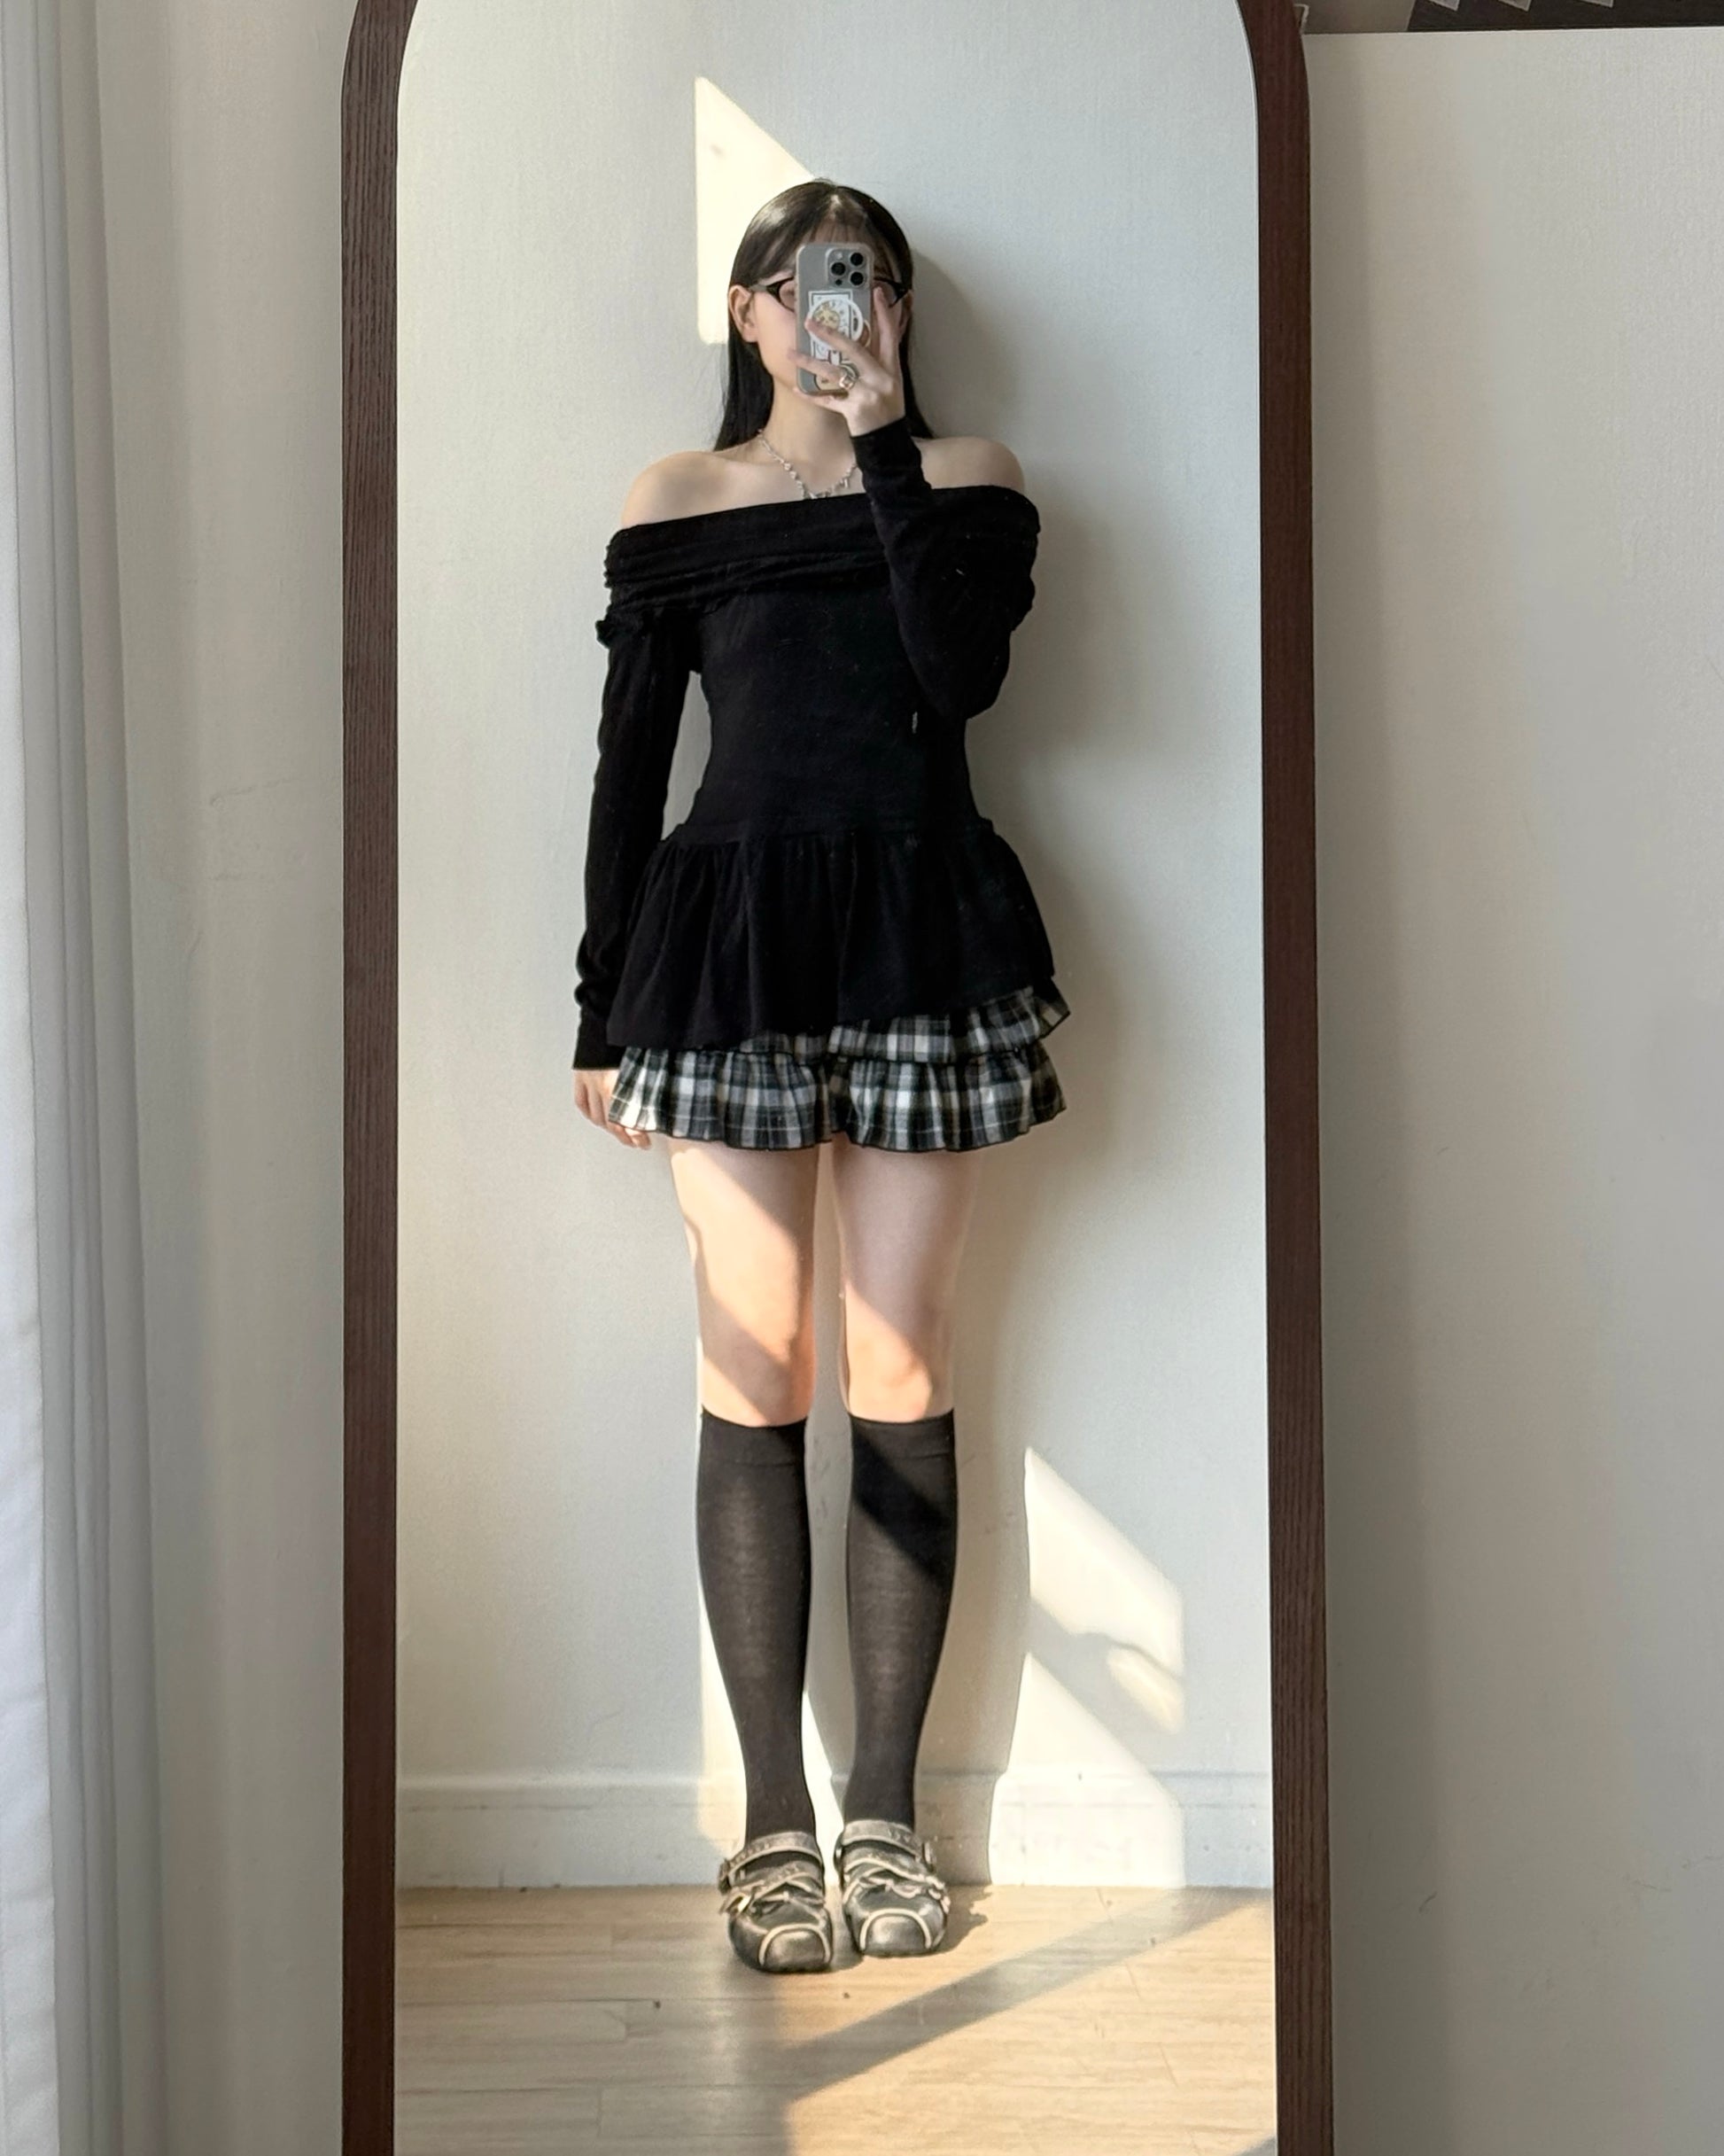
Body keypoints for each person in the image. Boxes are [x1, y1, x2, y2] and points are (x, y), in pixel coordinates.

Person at [570, 182, 1070, 1974]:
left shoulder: (969, 476)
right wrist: (597, 1006)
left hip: (922, 933)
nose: (833, 311)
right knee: (756, 1363)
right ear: (748, 310)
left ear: (901, 311)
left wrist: (881, 453)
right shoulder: (674, 502)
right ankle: (772, 1827)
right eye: (802, 284)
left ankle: (884, 1813)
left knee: (902, 1362)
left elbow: (959, 677)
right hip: (723, 952)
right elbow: (631, 763)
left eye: (866, 283)